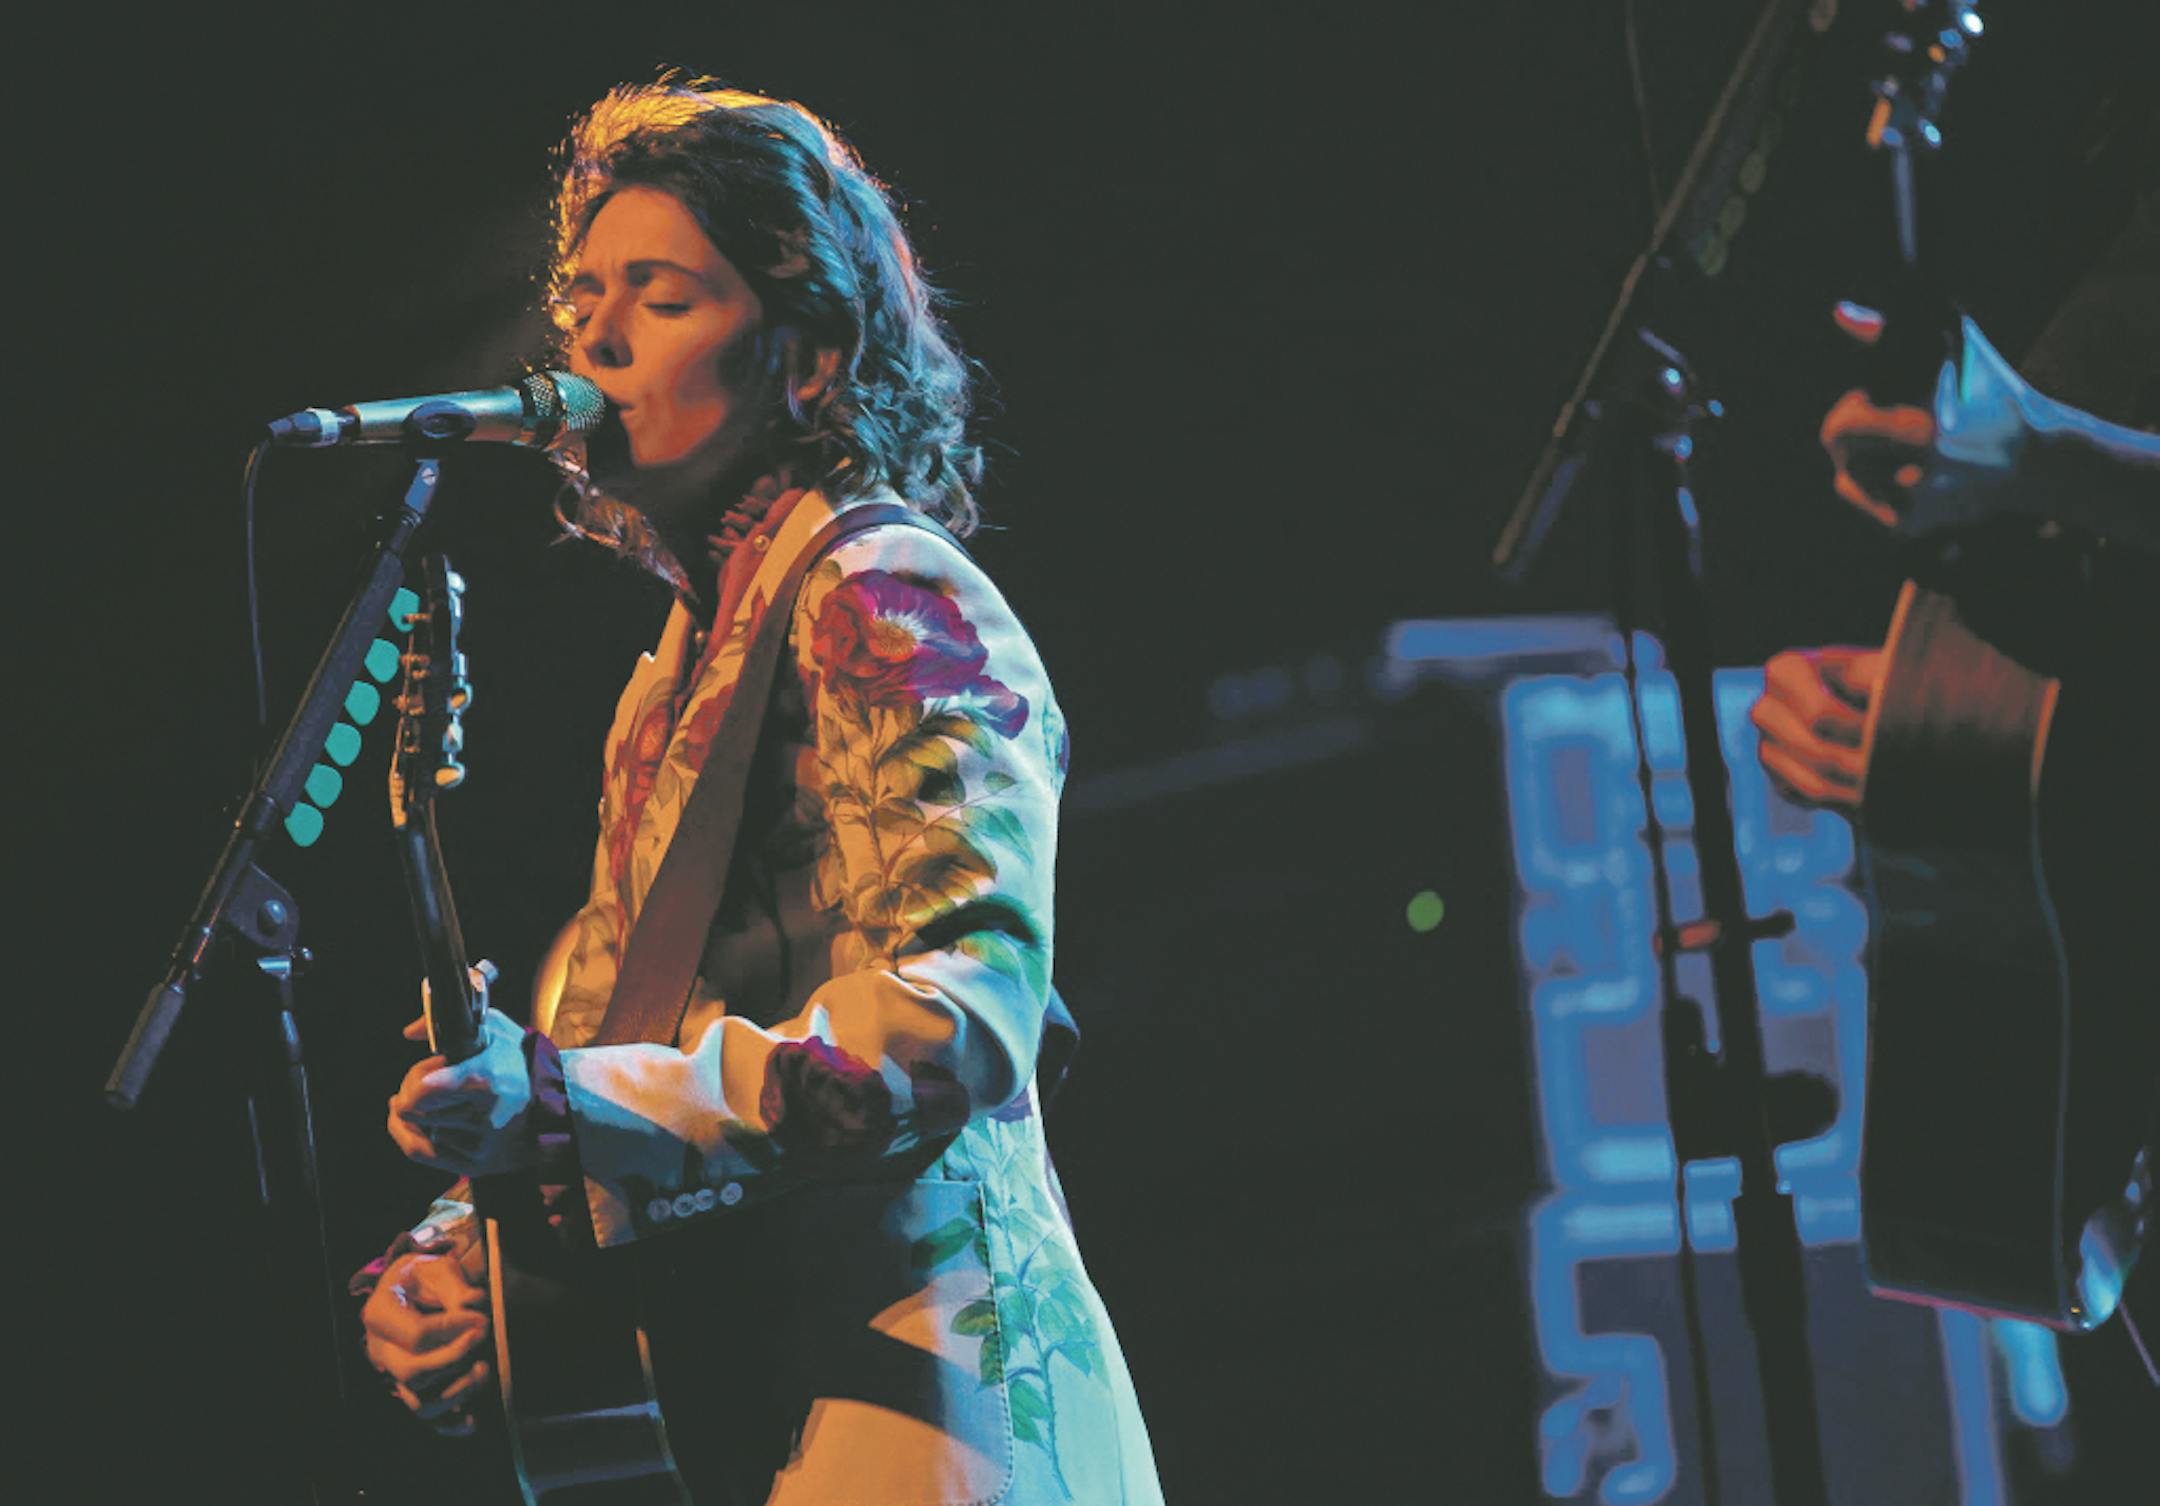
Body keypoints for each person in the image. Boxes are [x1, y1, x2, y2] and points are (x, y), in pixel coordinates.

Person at [351, 78, 1164, 1506]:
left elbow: (962, 1019)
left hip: (939, 1401)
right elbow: (622, 1045)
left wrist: (556, 1103)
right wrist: (465, 1251)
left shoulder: (884, 589)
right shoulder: (680, 670)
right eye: (583, 295)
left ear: (809, 357)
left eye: (660, 297)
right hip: (764, 1399)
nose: (594, 338)